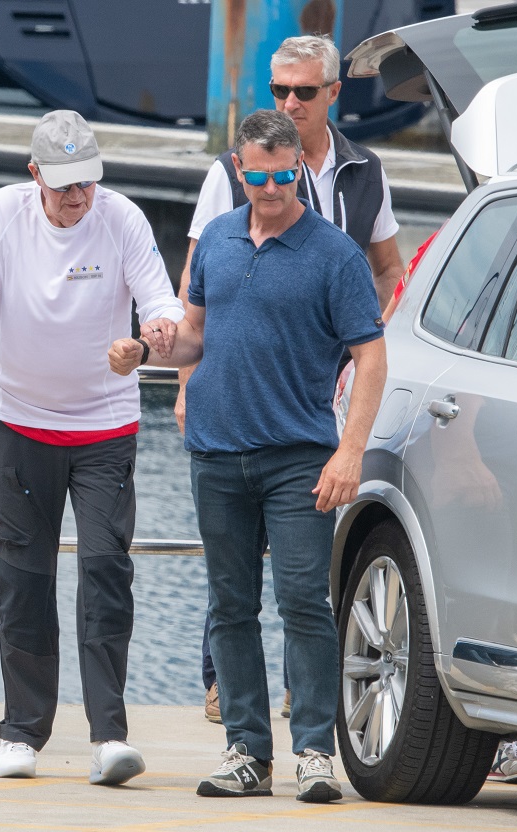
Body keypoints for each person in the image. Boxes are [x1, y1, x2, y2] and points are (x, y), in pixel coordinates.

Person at [109, 109, 387, 801]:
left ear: (299, 167)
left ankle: (316, 752)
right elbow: (196, 337)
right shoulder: (219, 243)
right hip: (216, 452)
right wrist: (145, 352)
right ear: (238, 169)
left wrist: (350, 451)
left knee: (303, 603)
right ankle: (246, 753)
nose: (270, 187)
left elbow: (371, 356)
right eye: (257, 175)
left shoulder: (334, 254)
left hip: (299, 456)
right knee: (229, 606)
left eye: (283, 174)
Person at [0, 110, 184, 787]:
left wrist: (152, 335)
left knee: (105, 572)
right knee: (24, 580)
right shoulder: (0, 217)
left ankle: (109, 735)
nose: (77, 199)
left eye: (87, 185)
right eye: (64, 186)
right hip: (16, 424)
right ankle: (22, 734)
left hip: (104, 428)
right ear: (34, 173)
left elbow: (164, 305)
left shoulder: (122, 219)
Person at [181, 34, 404, 725]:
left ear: (334, 93)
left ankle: (308, 723)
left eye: (304, 91)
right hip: (244, 391)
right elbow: (199, 289)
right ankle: (231, 704)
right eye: (279, 90)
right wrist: (186, 378)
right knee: (231, 586)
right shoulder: (232, 170)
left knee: (306, 586)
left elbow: (389, 268)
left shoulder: (365, 171)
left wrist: (372, 327)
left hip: (329, 385)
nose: (290, 102)